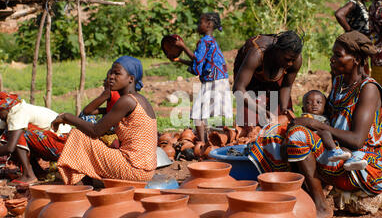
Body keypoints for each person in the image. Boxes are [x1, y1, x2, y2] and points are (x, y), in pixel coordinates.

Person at [249, 31, 382, 218]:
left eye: (338, 55)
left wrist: (312, 124)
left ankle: (320, 206)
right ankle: (299, 195)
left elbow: (357, 140)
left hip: (360, 165)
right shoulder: (339, 82)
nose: (332, 59)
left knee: (299, 136)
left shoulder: (368, 89)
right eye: (333, 54)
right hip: (336, 153)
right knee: (273, 136)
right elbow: (327, 120)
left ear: (356, 59)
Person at [53, 56, 157, 185]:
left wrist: (66, 117)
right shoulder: (138, 99)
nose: (111, 77)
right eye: (111, 72)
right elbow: (90, 114)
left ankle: (77, 186)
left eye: (117, 73)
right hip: (145, 169)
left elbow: (95, 131)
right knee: (93, 139)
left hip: (134, 169)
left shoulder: (127, 101)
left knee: (78, 135)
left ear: (131, 78)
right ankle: (85, 180)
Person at [171, 12, 233, 143]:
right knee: (201, 113)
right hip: (218, 79)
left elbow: (197, 60)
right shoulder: (211, 41)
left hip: (213, 81)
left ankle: (203, 144)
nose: (198, 25)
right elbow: (199, 62)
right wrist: (180, 60)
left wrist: (183, 47)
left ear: (209, 24)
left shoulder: (205, 41)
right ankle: (207, 141)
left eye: (200, 22)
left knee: (197, 113)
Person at [233, 30, 303, 127]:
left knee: (281, 123)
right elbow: (239, 89)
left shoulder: (296, 60)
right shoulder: (257, 54)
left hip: (272, 79)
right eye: (287, 59)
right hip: (251, 81)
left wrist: (283, 109)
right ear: (277, 51)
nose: (290, 64)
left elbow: (286, 86)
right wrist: (260, 110)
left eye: (293, 60)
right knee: (249, 124)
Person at [0, 92, 71, 185]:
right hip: (56, 143)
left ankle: (28, 175)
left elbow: (10, 147)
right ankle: (38, 172)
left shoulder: (18, 112)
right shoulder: (11, 111)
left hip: (64, 145)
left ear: (4, 108)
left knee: (16, 134)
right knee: (12, 132)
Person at [301, 90, 368, 170]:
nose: (314, 104)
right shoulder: (306, 117)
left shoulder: (325, 117)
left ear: (325, 107)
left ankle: (351, 161)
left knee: (345, 149)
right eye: (309, 103)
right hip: (315, 139)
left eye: (318, 102)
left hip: (329, 142)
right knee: (325, 133)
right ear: (303, 109)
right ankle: (335, 152)